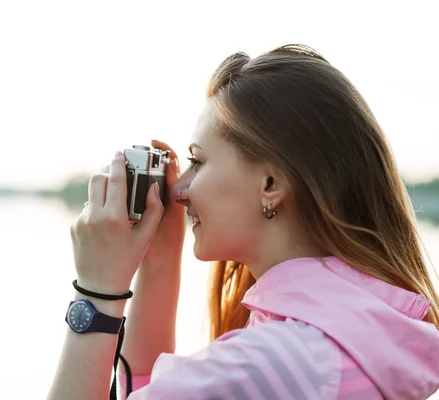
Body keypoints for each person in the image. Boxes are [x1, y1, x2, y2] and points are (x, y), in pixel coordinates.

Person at [46, 44, 439, 400]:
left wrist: (97, 293)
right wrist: (161, 260)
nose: (180, 189)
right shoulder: (358, 331)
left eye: (198, 161)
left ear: (270, 185)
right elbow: (150, 390)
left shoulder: (267, 364)